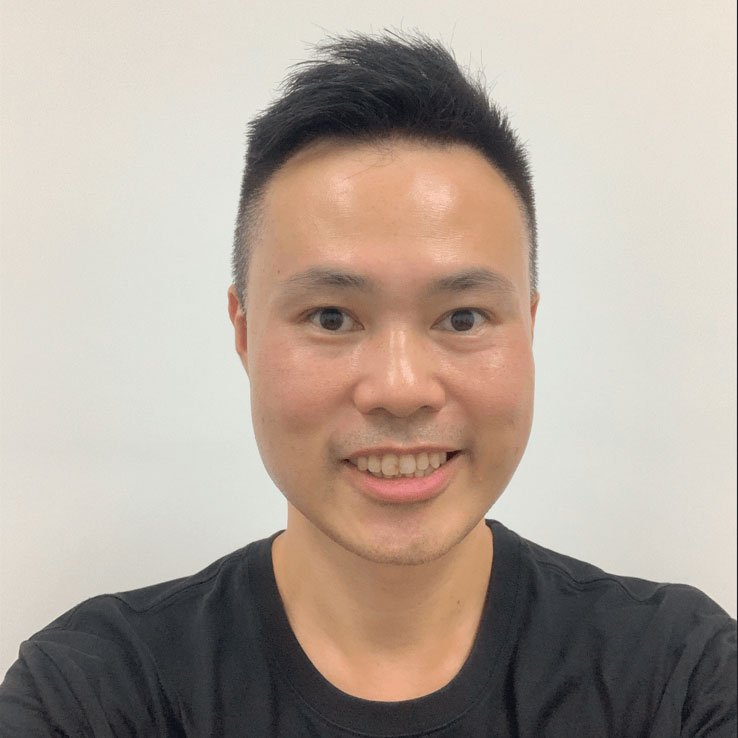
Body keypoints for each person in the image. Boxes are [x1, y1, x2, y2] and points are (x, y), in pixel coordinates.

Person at [1, 30, 735, 738]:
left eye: (463, 317)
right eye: (331, 317)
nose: (401, 389)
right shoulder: (95, 692)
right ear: (244, 332)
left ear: (530, 327)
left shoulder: (678, 678)